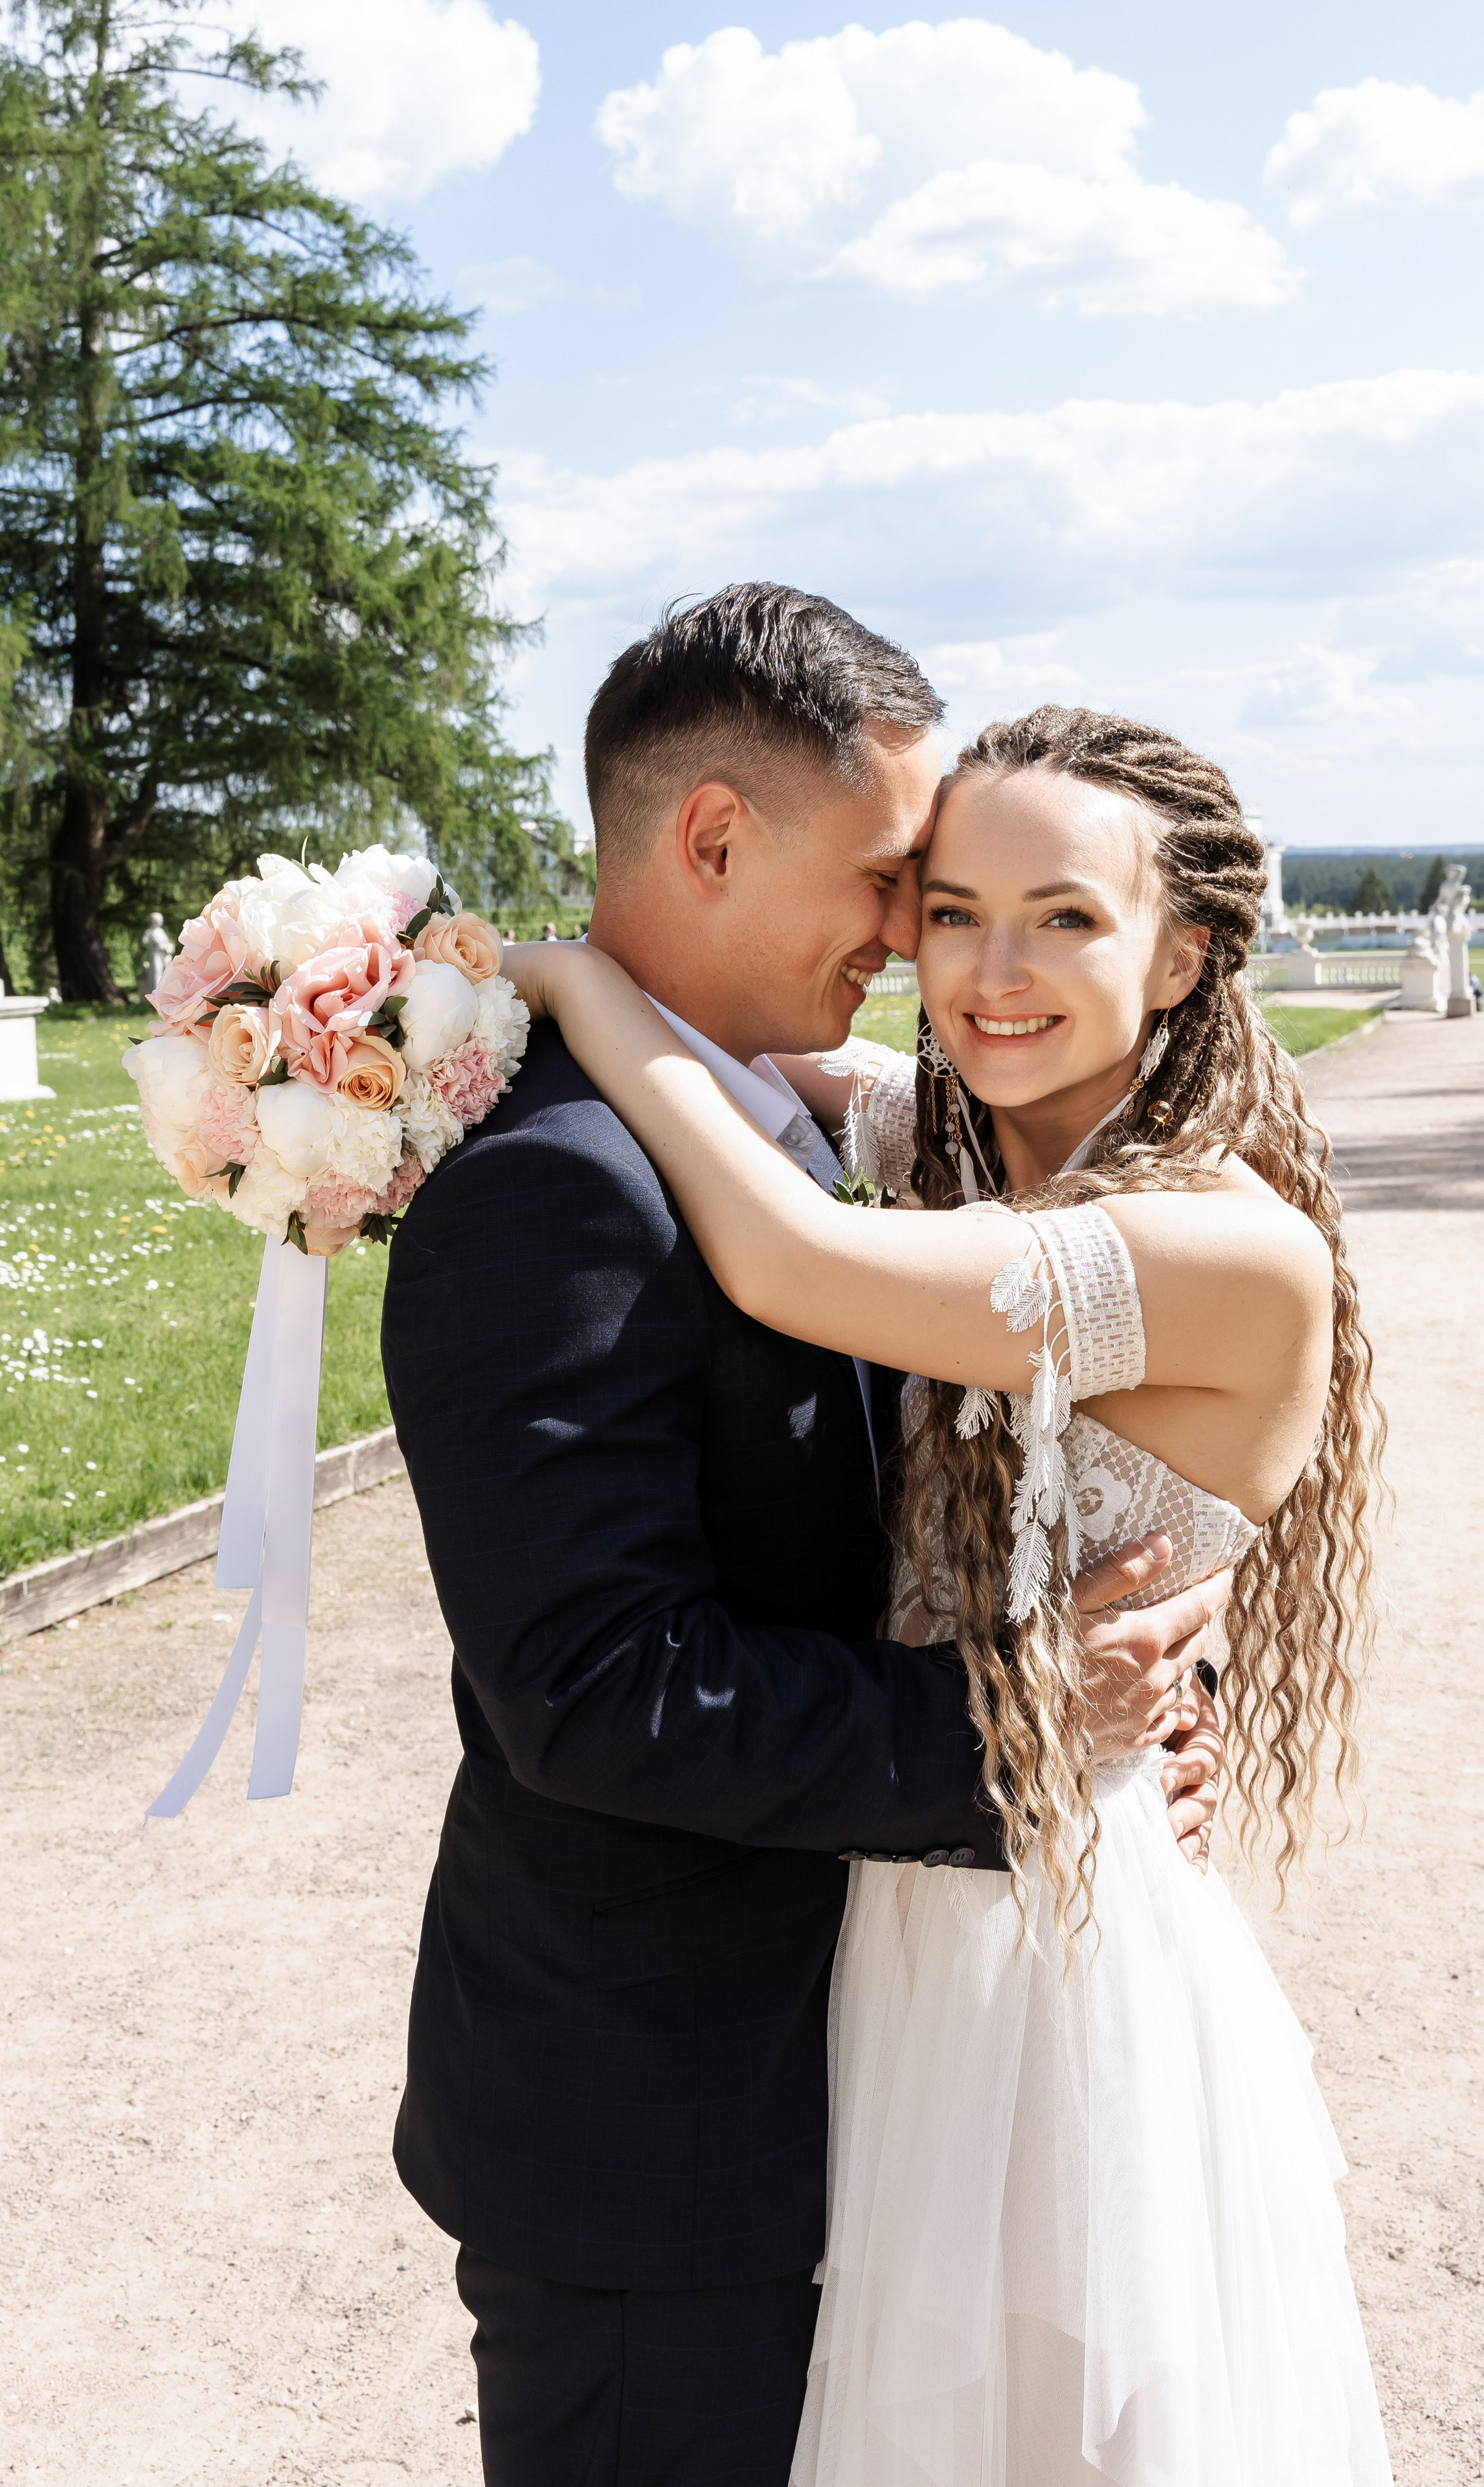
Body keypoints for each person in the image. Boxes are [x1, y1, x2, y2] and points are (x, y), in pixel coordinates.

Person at [381, 589, 1228, 2487]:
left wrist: (1143, 1686)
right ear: (709, 838)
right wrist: (1024, 1737)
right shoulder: (554, 1190)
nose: (912, 938)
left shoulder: (805, 1134)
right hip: (662, 2152)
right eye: (891, 880)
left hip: (881, 2080)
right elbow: (599, 1693)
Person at [506, 700, 1391, 2485]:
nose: (989, 969)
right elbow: (776, 1078)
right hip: (909, 1918)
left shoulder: (1221, 1246)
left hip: (1055, 1964)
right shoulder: (965, 1143)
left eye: (1065, 917)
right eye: (950, 905)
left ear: (1187, 948)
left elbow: (784, 1249)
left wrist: (567, 980)